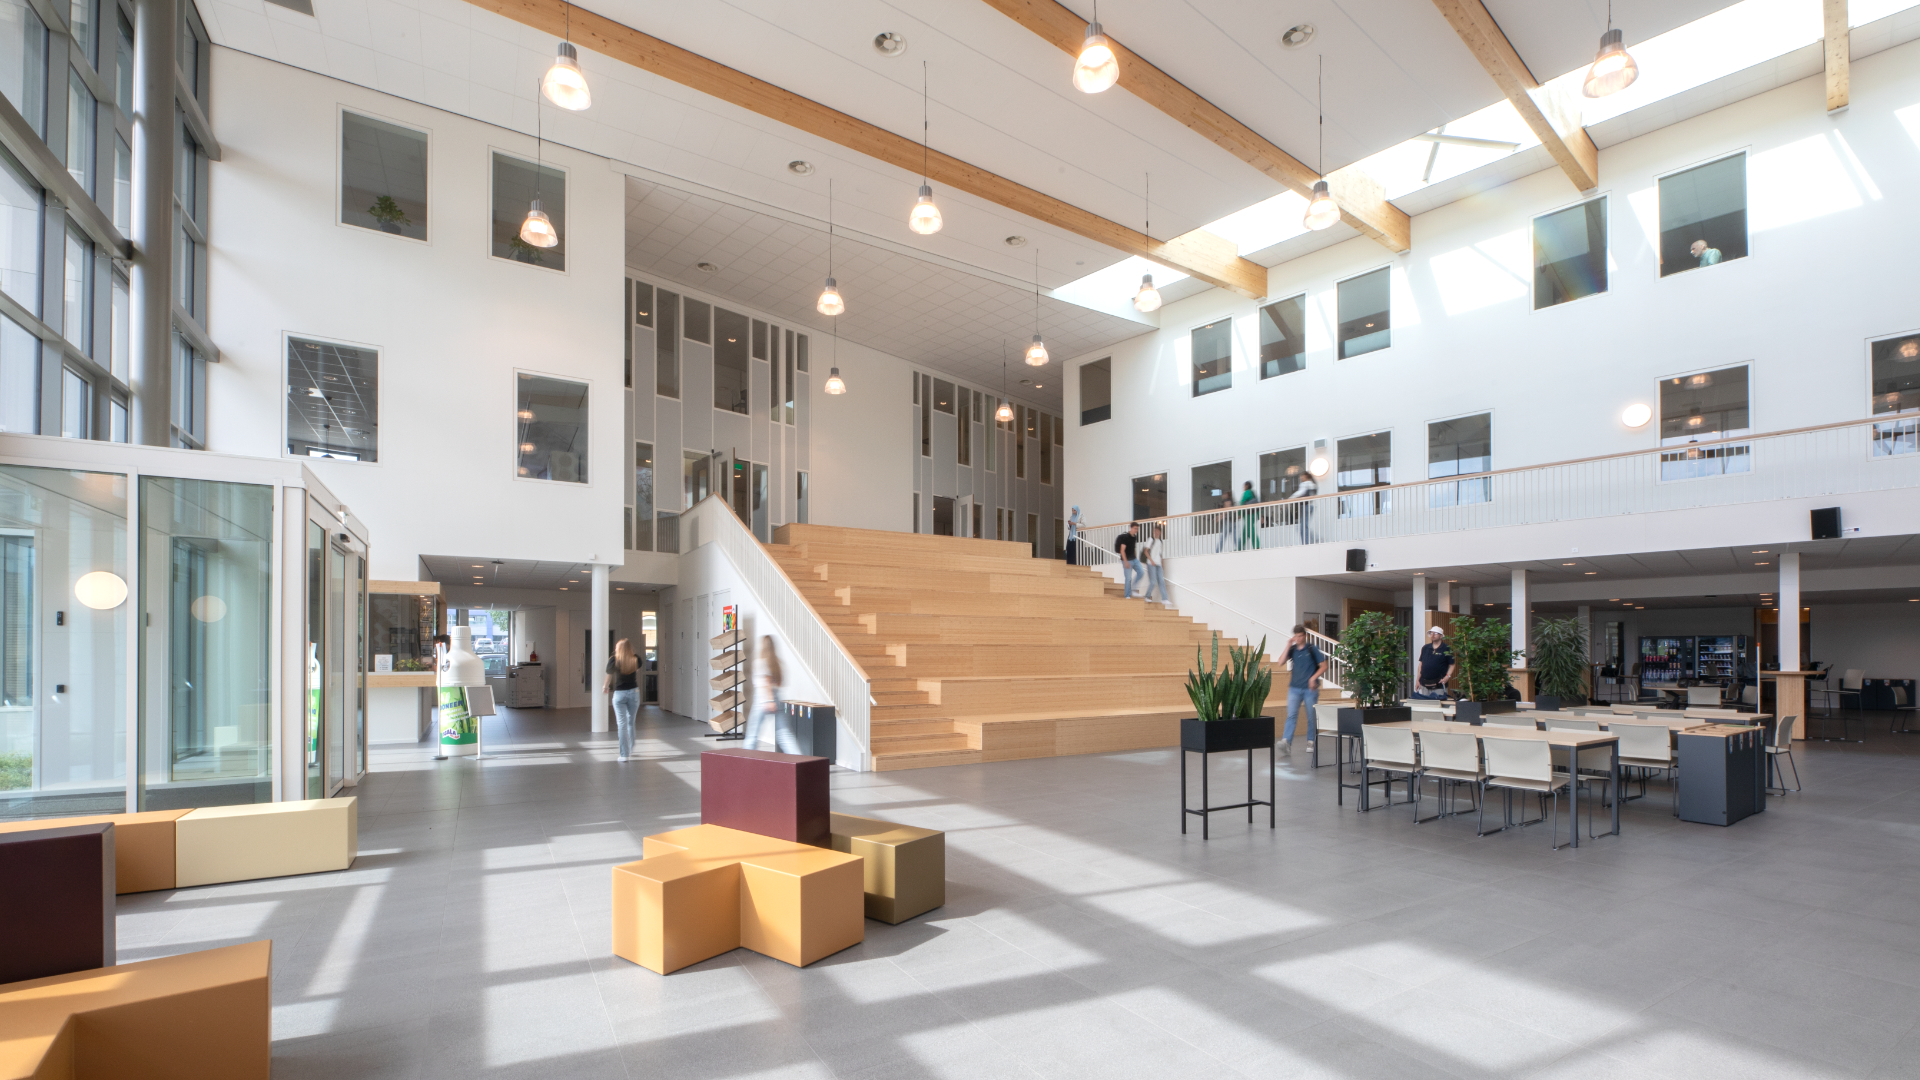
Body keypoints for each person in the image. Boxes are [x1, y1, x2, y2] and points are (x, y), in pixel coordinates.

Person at [1280, 624, 1328, 757]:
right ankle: (1286, 742)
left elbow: (1324, 666)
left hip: (1309, 689)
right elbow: (1280, 662)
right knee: (1291, 715)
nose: (1298, 638)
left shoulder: (1312, 649)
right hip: (1294, 688)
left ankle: (1311, 741)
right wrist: (1288, 645)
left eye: (1300, 636)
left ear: (1305, 636)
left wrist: (1313, 678)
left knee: (1311, 716)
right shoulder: (1293, 649)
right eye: (1296, 636)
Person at [745, 635, 798, 752]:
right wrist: (773, 700)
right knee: (784, 734)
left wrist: (769, 701)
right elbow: (779, 683)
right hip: (777, 697)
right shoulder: (777, 663)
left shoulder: (760, 662)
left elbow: (766, 683)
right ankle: (799, 759)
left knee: (752, 735)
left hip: (762, 699)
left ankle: (745, 760)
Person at [603, 638, 641, 762]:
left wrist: (605, 686)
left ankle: (624, 755)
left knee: (621, 724)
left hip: (619, 694)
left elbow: (609, 675)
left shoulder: (614, 660)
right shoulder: (636, 658)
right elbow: (637, 669)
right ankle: (631, 747)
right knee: (631, 722)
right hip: (634, 692)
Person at [1415, 625, 1456, 700]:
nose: (1433, 635)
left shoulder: (1447, 648)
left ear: (1441, 636)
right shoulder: (1425, 648)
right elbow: (1421, 664)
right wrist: (1417, 680)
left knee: (1439, 704)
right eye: (1431, 633)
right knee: (1426, 704)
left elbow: (1452, 665)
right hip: (1425, 684)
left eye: (1436, 633)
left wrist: (1447, 677)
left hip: (1439, 684)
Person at [1141, 522, 1170, 604]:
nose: (1156, 533)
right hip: (1151, 563)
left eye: (1158, 531)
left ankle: (1165, 598)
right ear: (1154, 532)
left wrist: (1162, 563)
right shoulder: (1151, 540)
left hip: (1158, 564)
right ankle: (1147, 596)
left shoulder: (1160, 541)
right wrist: (1151, 560)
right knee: (1153, 581)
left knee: (1161, 581)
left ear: (1160, 532)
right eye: (1155, 531)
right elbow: (1146, 551)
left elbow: (1160, 553)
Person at [1115, 522, 1143, 598]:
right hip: (1127, 560)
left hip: (1134, 559)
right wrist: (1126, 562)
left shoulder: (1134, 537)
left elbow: (1133, 548)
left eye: (1137, 529)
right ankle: (1127, 595)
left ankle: (1133, 589)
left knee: (1141, 572)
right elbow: (1122, 550)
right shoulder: (1125, 537)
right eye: (1135, 528)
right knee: (1128, 578)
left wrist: (1135, 557)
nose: (1136, 530)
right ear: (1131, 528)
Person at [1292, 474, 1317, 544]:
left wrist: (1291, 498)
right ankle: (1312, 539)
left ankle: (1306, 542)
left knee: (1303, 527)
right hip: (1311, 506)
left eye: (1302, 476)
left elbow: (1300, 493)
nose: (1301, 478)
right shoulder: (1313, 484)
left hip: (1305, 506)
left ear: (1306, 476)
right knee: (1304, 526)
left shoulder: (1306, 484)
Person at [1238, 481, 1261, 549]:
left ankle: (1257, 546)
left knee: (1250, 530)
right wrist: (1259, 515)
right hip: (1253, 514)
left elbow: (1242, 503)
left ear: (1247, 486)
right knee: (1245, 533)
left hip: (1248, 515)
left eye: (1244, 486)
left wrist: (1239, 513)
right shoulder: (1253, 493)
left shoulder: (1247, 492)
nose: (1243, 487)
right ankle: (1240, 548)